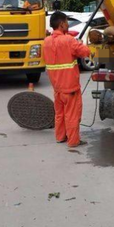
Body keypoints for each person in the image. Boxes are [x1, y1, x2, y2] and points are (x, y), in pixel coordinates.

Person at [43, 11, 91, 147]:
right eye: (67, 22)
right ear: (62, 24)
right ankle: (73, 141)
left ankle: (60, 137)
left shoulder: (46, 42)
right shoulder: (68, 40)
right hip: (70, 88)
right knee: (72, 115)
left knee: (60, 114)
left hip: (57, 88)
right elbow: (85, 52)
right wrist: (79, 43)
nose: (68, 25)